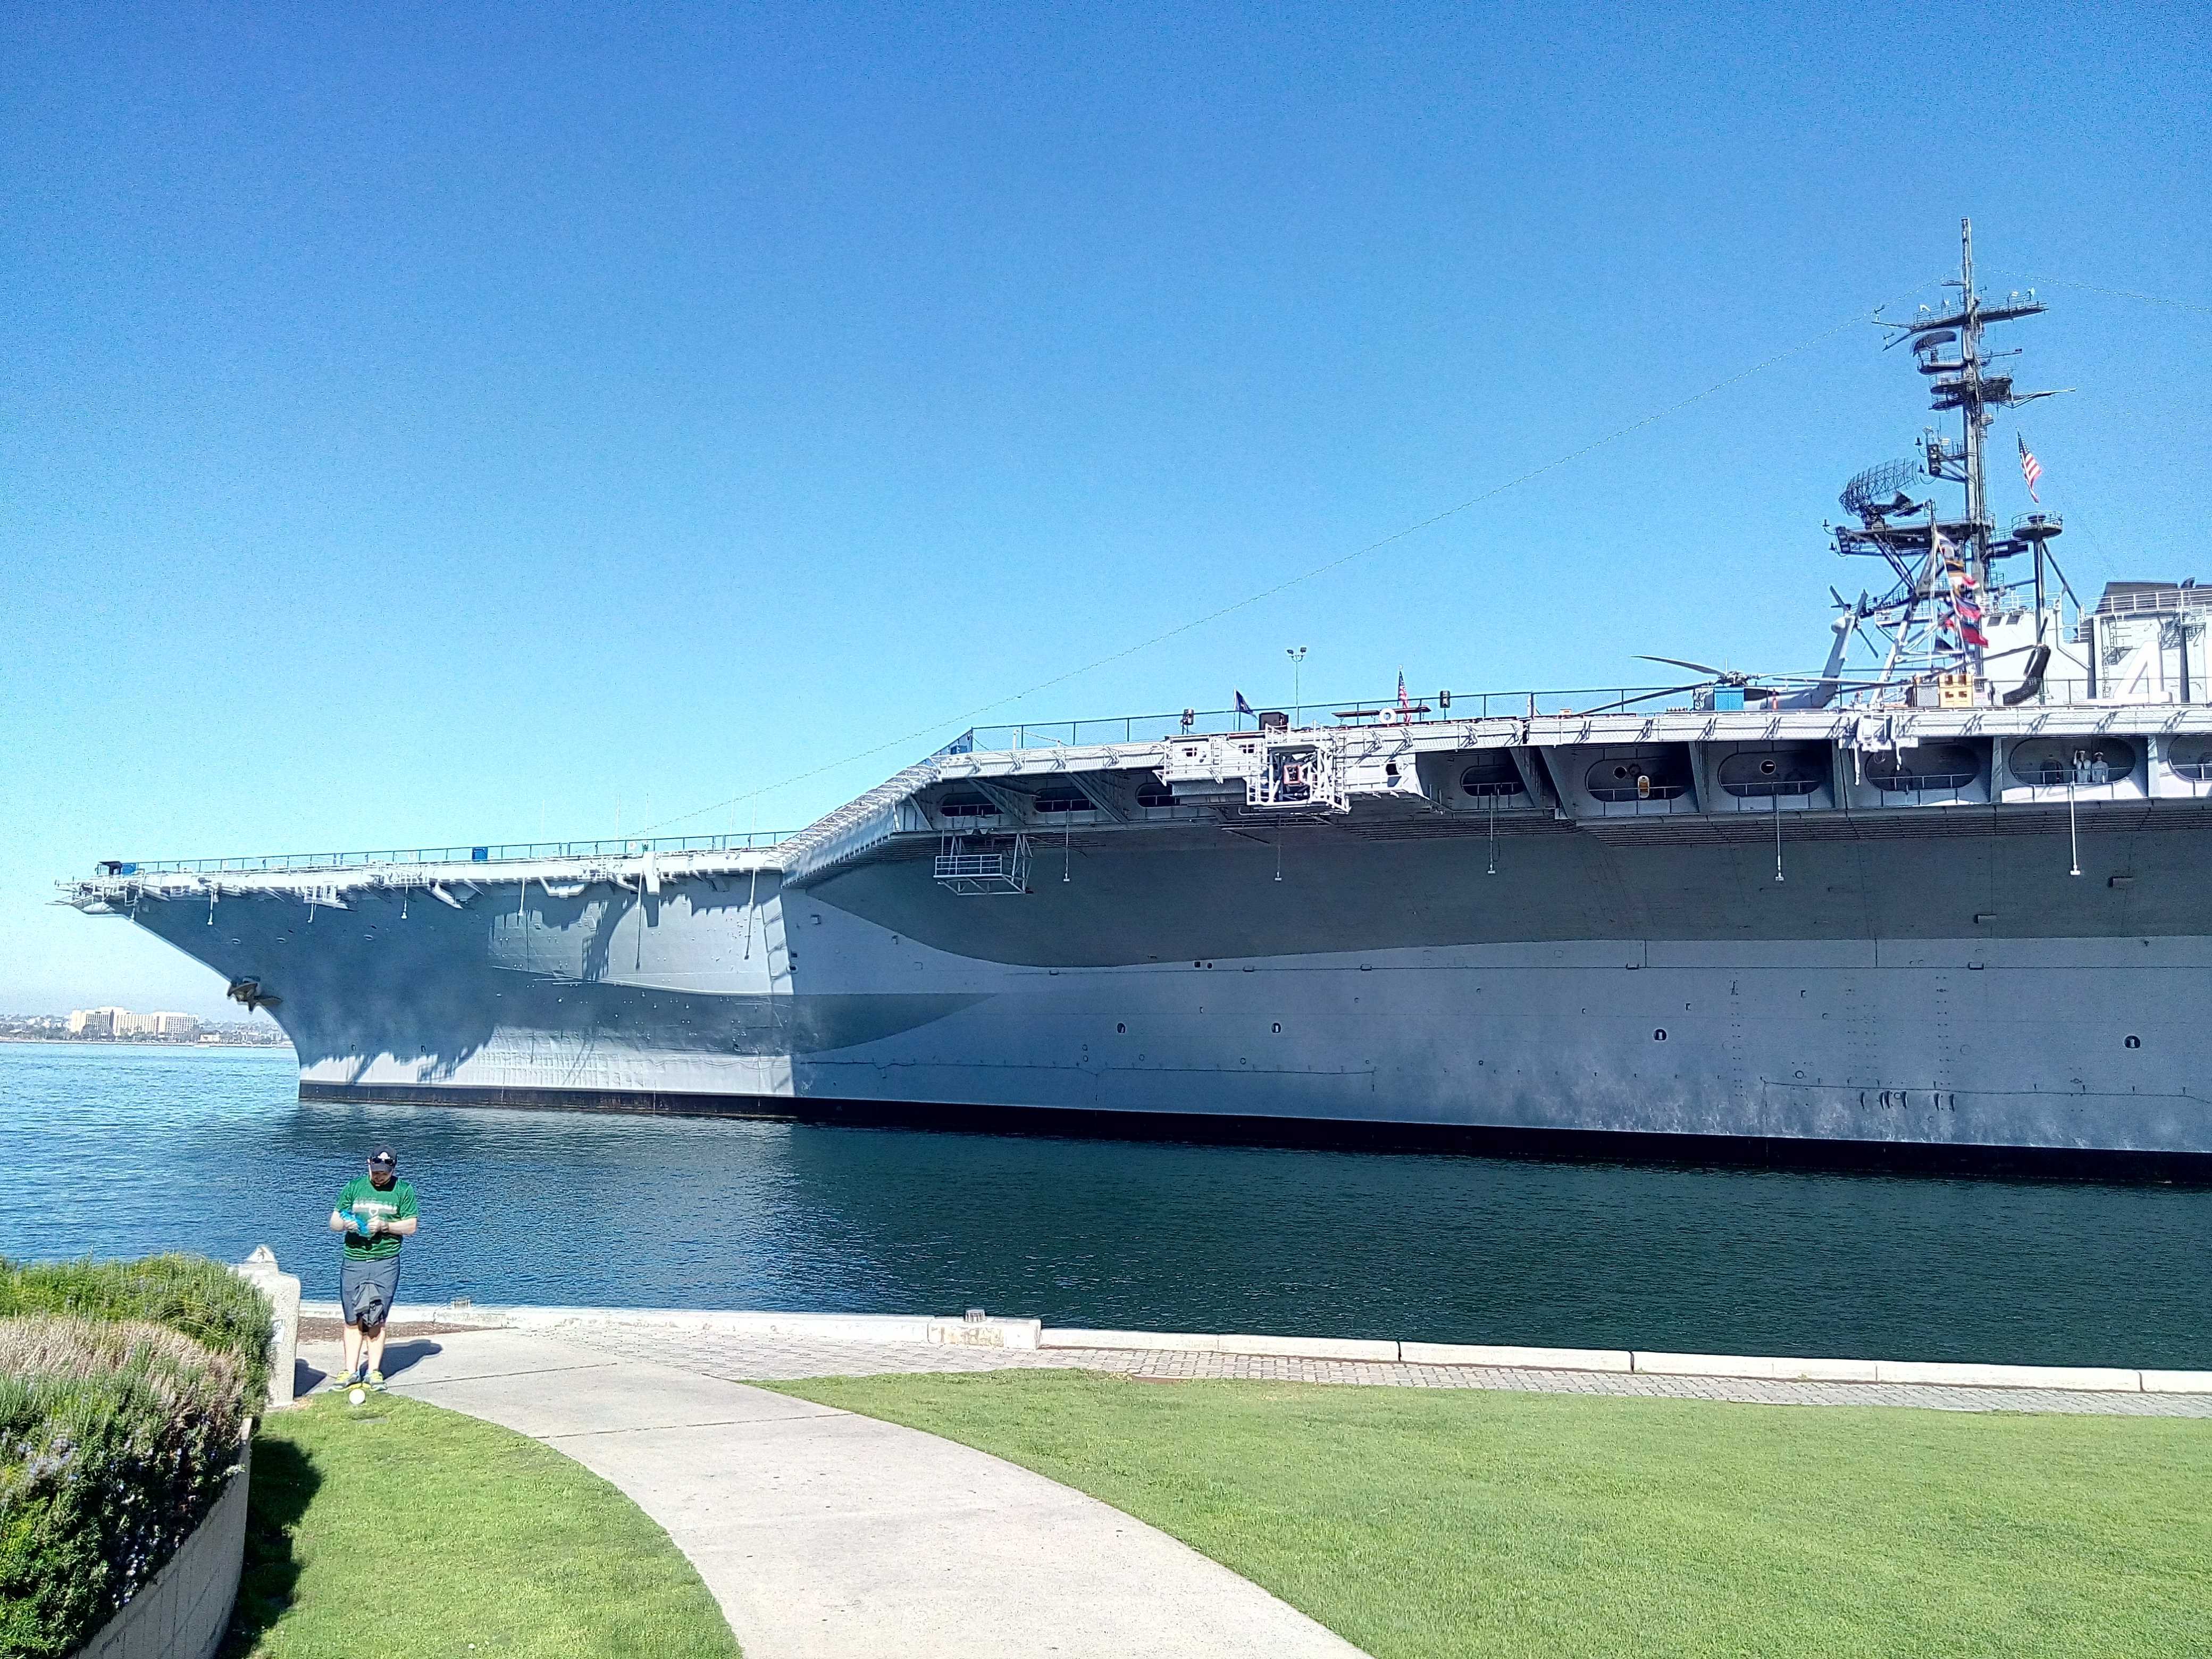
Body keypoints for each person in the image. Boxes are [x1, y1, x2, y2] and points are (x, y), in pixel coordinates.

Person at [329, 1146, 419, 1391]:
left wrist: (385, 1227)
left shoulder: (403, 1190)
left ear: (393, 1169)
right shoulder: (354, 1187)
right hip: (354, 1259)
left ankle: (374, 1372)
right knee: (352, 1318)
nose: (379, 1176)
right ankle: (350, 1371)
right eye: (376, 1171)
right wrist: (345, 1224)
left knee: (376, 1317)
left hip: (385, 1262)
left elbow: (411, 1226)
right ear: (368, 1165)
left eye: (384, 1172)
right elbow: (334, 1221)